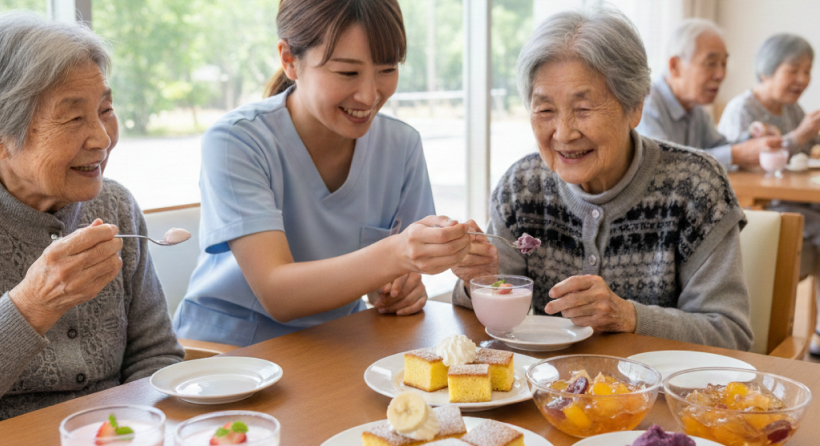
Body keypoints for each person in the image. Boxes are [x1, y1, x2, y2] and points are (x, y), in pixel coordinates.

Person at [450, 9, 754, 350]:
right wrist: (474, 279)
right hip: (537, 390)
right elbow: (494, 302)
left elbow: (730, 334)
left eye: (584, 109)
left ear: (635, 107)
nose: (563, 133)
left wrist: (629, 317)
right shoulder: (521, 187)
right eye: (546, 110)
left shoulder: (695, 187)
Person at [173, 0, 471, 347]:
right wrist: (395, 255)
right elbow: (277, 293)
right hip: (226, 353)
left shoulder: (401, 145)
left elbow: (394, 274)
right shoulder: (237, 140)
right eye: (347, 72)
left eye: (387, 69)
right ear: (289, 60)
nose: (370, 94)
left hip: (336, 345)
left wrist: (401, 288)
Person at [0, 12, 183, 420]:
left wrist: (133, 428)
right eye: (73, 118)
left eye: (105, 109)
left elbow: (156, 356)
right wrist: (32, 304)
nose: (102, 138)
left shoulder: (114, 206)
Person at [718, 33, 820, 355]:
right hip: (766, 210)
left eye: (808, 71)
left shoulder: (792, 109)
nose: (803, 79)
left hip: (798, 205)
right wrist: (799, 135)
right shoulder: (742, 110)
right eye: (794, 70)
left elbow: (798, 161)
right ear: (767, 71)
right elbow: (737, 170)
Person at [636, 19, 780, 169]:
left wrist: (754, 139)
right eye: (711, 63)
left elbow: (720, 146)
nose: (721, 74)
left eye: (724, 64)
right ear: (675, 66)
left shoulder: (695, 109)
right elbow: (662, 162)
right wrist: (736, 154)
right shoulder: (645, 103)